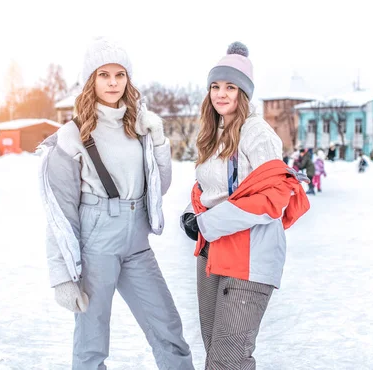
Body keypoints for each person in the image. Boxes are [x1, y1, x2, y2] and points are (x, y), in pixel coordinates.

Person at [37, 37, 193, 370]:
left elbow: (159, 187)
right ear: (90, 81)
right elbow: (59, 212)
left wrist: (160, 141)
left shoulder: (139, 127)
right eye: (103, 74)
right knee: (91, 344)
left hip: (137, 242)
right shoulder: (71, 135)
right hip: (97, 244)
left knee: (168, 329)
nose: (112, 82)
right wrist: (62, 276)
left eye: (119, 75)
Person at [180, 42, 311, 369]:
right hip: (213, 252)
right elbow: (211, 187)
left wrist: (207, 223)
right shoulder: (215, 133)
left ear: (244, 93)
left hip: (249, 256)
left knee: (228, 360)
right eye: (215, 86)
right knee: (216, 354)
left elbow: (273, 199)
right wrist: (190, 214)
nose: (220, 94)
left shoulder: (257, 133)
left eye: (230, 87)